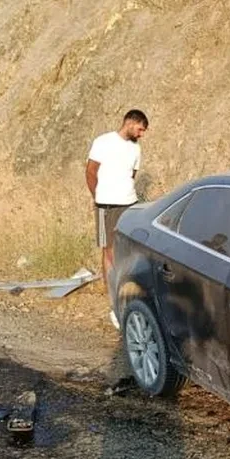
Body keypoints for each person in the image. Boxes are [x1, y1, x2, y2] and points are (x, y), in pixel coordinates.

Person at [85, 109, 148, 324]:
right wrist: (98, 196)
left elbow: (131, 175)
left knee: (129, 251)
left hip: (129, 204)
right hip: (106, 205)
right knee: (109, 251)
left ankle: (130, 295)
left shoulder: (136, 149)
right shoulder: (103, 142)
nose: (141, 134)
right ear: (130, 122)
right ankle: (114, 303)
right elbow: (91, 171)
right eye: (140, 129)